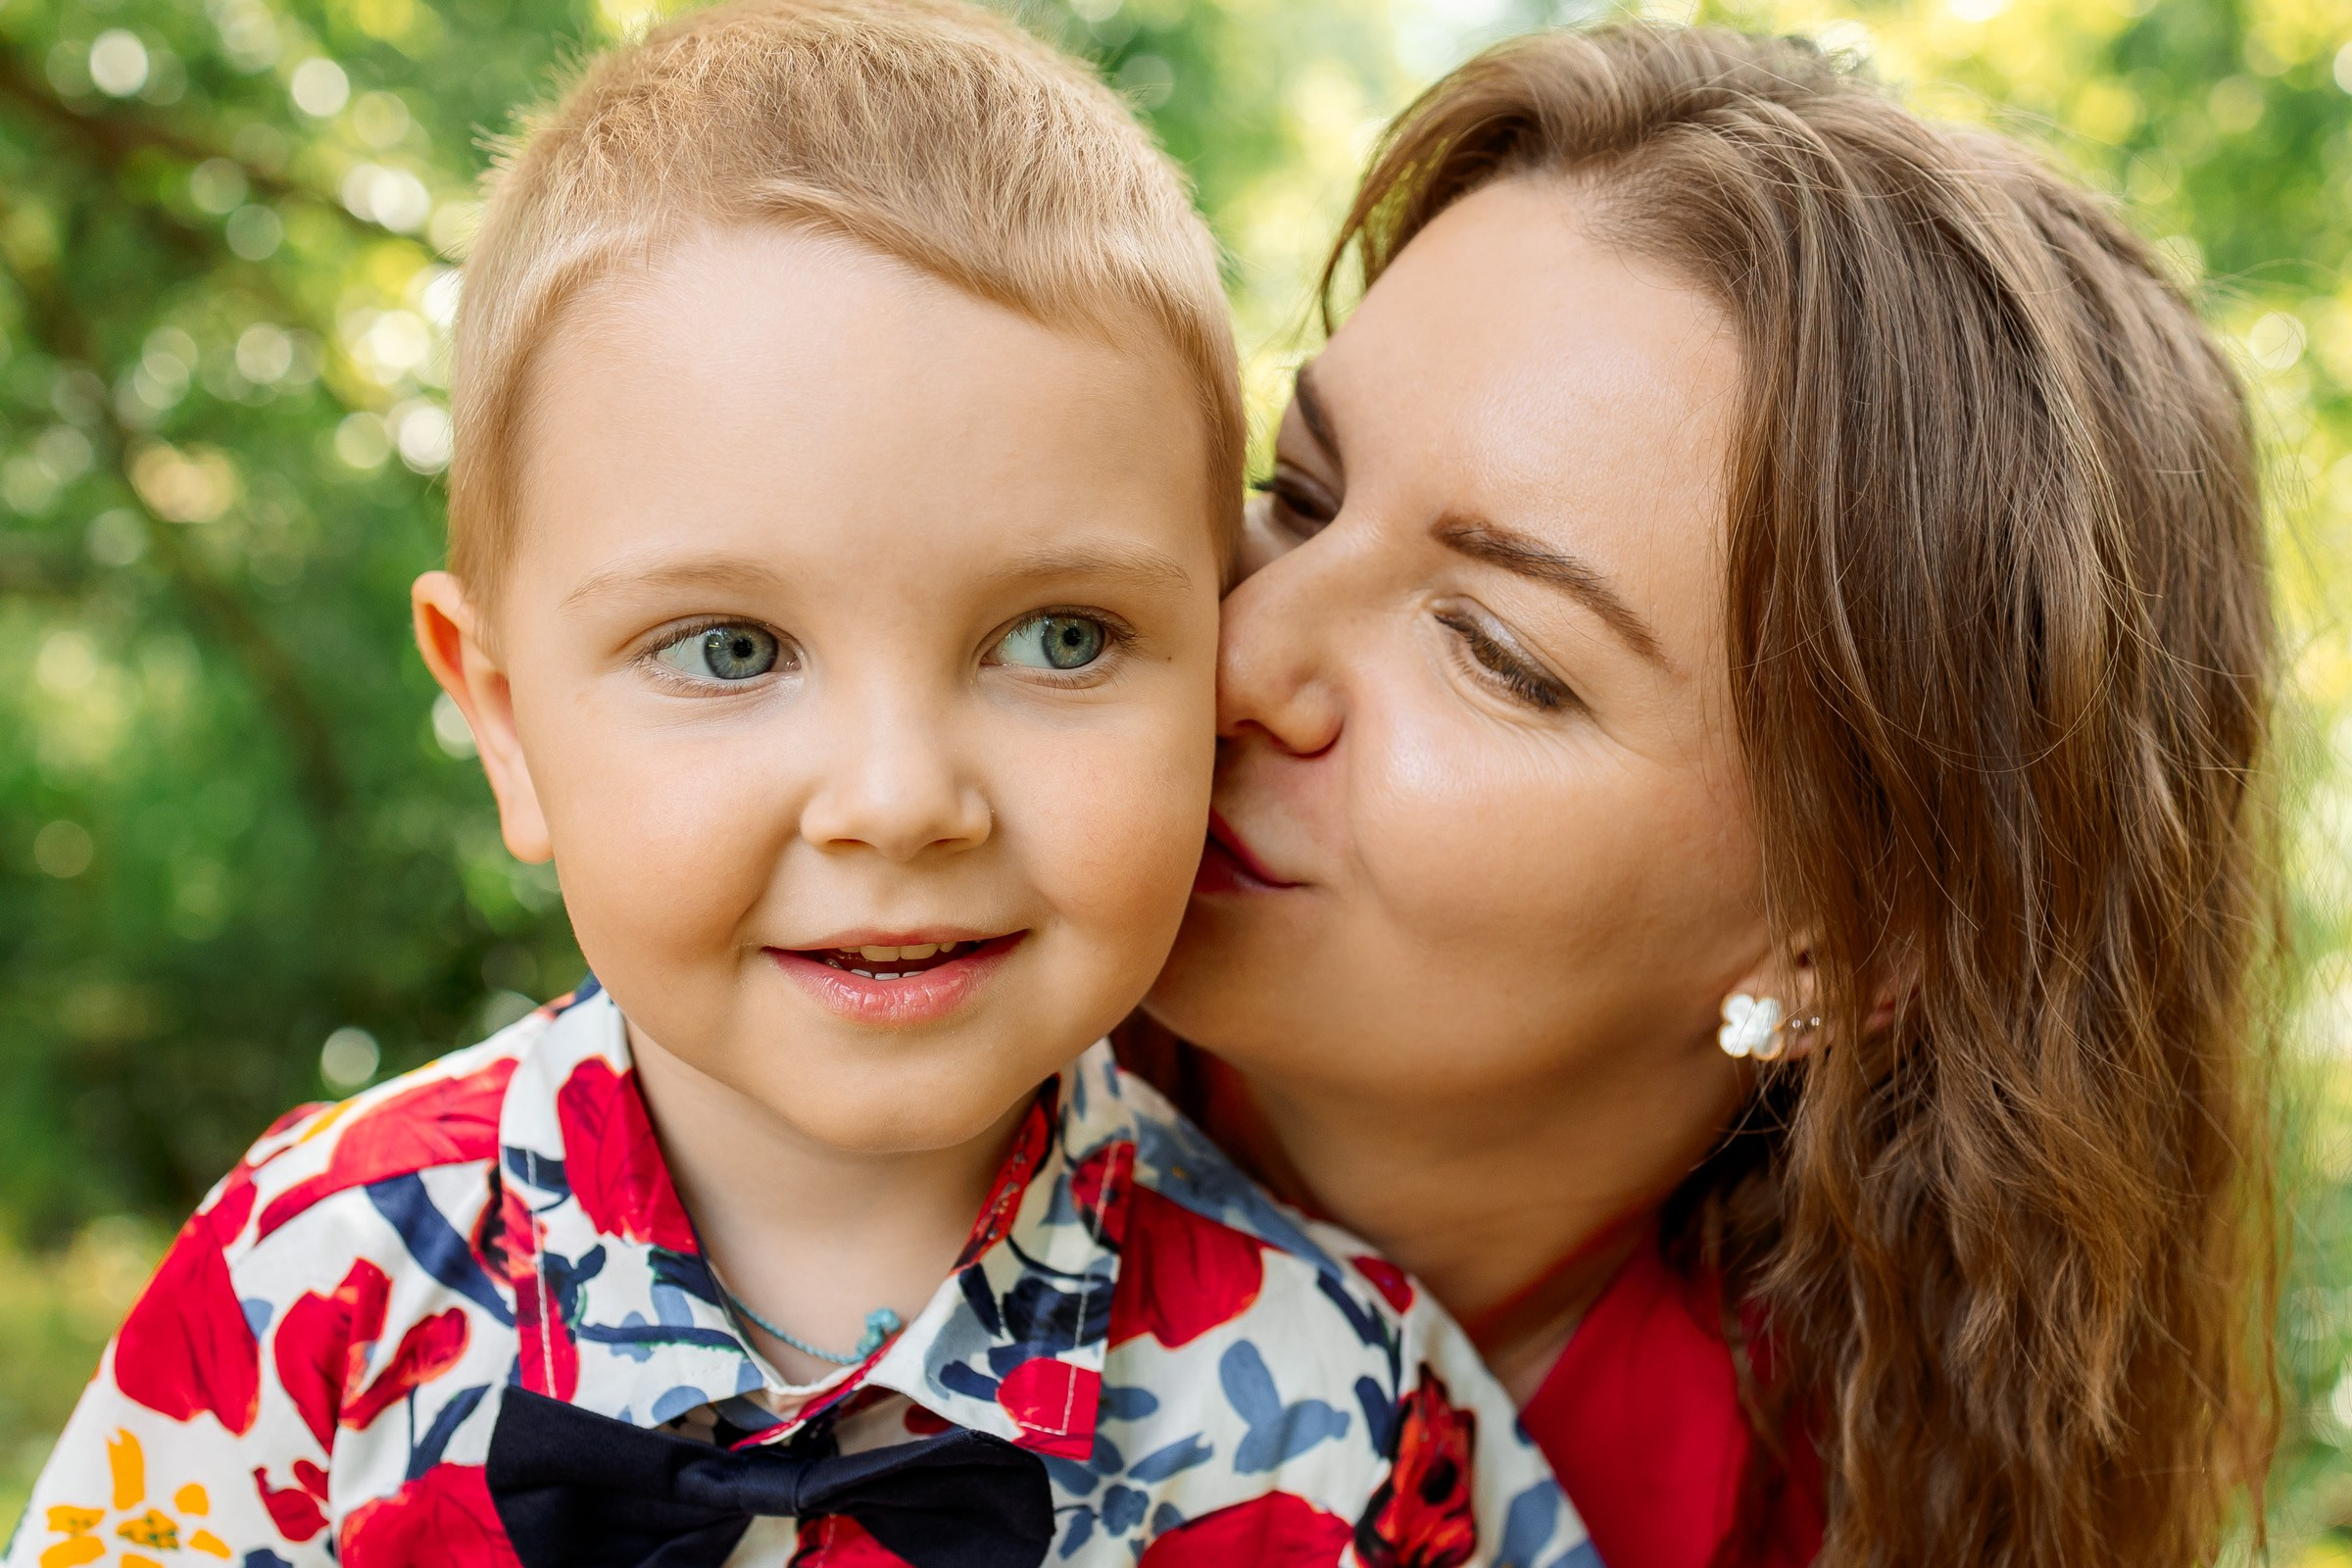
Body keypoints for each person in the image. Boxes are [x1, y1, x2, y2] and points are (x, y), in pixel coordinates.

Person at [5, 5, 1589, 1566]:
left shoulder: (1355, 1414)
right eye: (729, 650)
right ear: (504, 719)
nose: (901, 804)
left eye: (1059, 637)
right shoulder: (306, 1296)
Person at [1132, 24, 2278, 1568]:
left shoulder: (1854, 1522)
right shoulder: (798, 1015)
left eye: (1495, 651)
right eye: (1301, 493)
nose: (1236, 653)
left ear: (1847, 945)